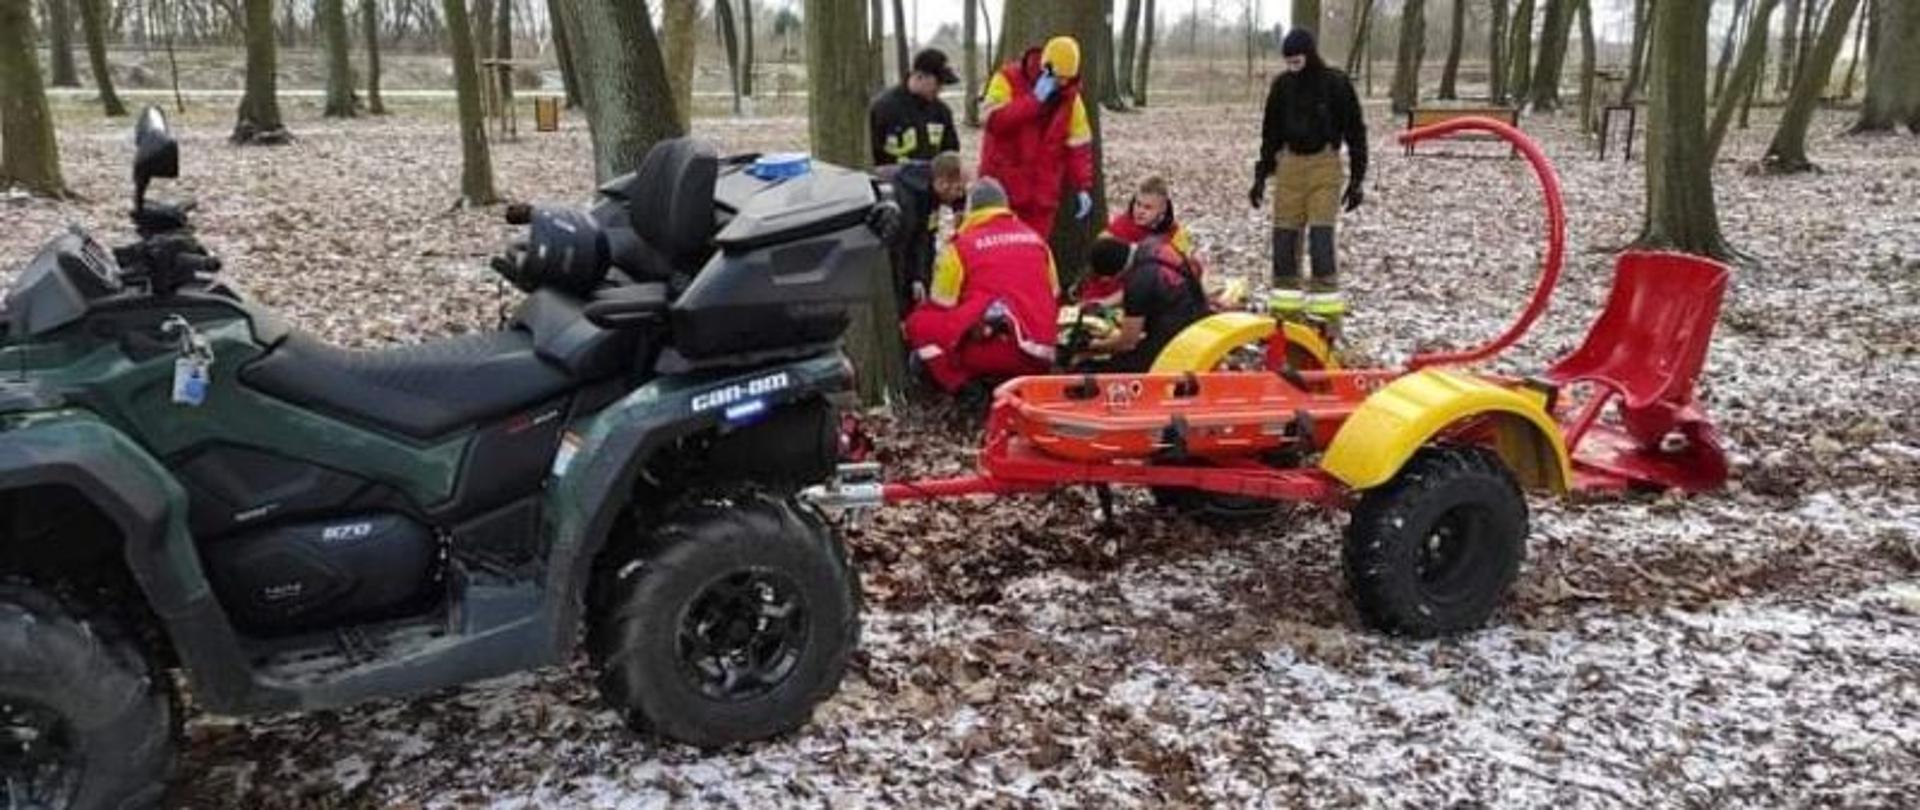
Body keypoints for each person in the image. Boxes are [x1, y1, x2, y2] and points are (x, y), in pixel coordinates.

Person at [1247, 28, 1368, 324]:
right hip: (1289, 166)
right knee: (1284, 240)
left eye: (1297, 61)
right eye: (1288, 63)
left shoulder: (1335, 84)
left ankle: (1326, 317)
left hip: (1324, 164)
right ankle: (1285, 313)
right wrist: (1262, 174)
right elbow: (1270, 133)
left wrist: (1356, 179)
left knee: (1321, 238)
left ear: (1310, 56)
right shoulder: (1282, 87)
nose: (1292, 68)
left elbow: (1355, 131)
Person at [903, 179, 1060, 396]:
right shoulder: (1037, 241)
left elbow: (942, 303)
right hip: (1041, 351)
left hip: (991, 350)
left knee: (920, 323)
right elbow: (1053, 293)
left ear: (971, 209)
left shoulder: (960, 247)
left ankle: (962, 386)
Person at [978, 36, 1096, 235]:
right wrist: (1033, 101)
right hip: (1004, 190)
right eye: (1059, 77)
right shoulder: (1007, 79)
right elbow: (992, 121)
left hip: (1042, 196)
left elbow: (1078, 145)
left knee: (1034, 254)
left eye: (1067, 78)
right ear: (1045, 68)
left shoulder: (1071, 98)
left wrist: (1082, 185)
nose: (1062, 83)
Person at [1071, 235, 1210, 373]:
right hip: (1198, 310)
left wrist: (1092, 346)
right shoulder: (1154, 244)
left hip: (1177, 337)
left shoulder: (1138, 282)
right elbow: (1145, 288)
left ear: (1117, 273)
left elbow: (1127, 343)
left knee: (1100, 367)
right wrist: (1104, 303)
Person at [1083, 175, 1197, 308]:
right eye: (1138, 204)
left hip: (1148, 295)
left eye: (1148, 207)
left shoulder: (1174, 233)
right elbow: (1097, 263)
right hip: (1109, 293)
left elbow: (1186, 269)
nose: (1140, 211)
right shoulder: (1120, 226)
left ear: (1162, 208)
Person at [874, 152, 969, 310]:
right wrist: (902, 302)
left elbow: (926, 237)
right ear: (942, 183)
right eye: (958, 189)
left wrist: (921, 278)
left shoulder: (929, 192)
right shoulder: (906, 202)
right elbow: (899, 251)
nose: (960, 195)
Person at [870, 49, 962, 167]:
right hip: (892, 182)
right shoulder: (883, 108)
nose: (940, 89)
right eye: (938, 83)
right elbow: (873, 154)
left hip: (931, 182)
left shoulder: (942, 112)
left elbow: (951, 152)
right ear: (919, 76)